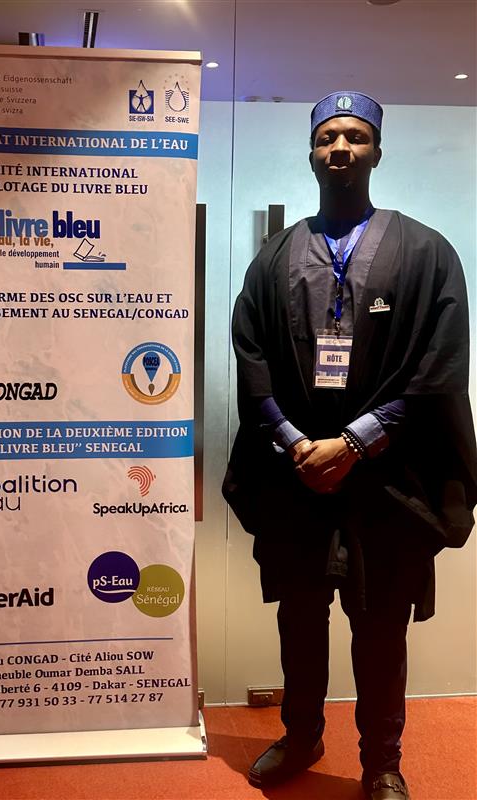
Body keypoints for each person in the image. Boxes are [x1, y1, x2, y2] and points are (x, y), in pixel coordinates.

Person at [222, 91, 477, 800]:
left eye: (356, 137)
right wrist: (295, 442)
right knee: (300, 619)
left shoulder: (426, 252)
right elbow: (250, 355)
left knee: (380, 628)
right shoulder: (275, 256)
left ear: (377, 152)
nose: (341, 147)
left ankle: (381, 763)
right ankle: (301, 735)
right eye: (328, 136)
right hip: (298, 476)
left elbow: (440, 366)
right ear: (311, 152)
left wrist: (355, 444)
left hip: (388, 480)